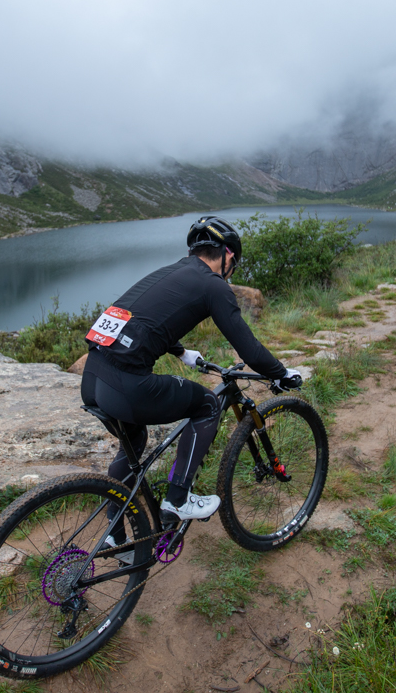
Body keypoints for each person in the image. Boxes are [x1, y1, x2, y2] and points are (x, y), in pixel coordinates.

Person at [80, 216, 301, 556]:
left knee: (134, 439)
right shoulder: (213, 285)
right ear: (227, 255)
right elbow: (249, 348)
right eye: (234, 262)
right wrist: (281, 373)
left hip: (94, 378)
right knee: (206, 404)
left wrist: (181, 351)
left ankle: (115, 535)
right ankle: (178, 498)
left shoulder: (169, 272)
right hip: (126, 384)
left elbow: (141, 315)